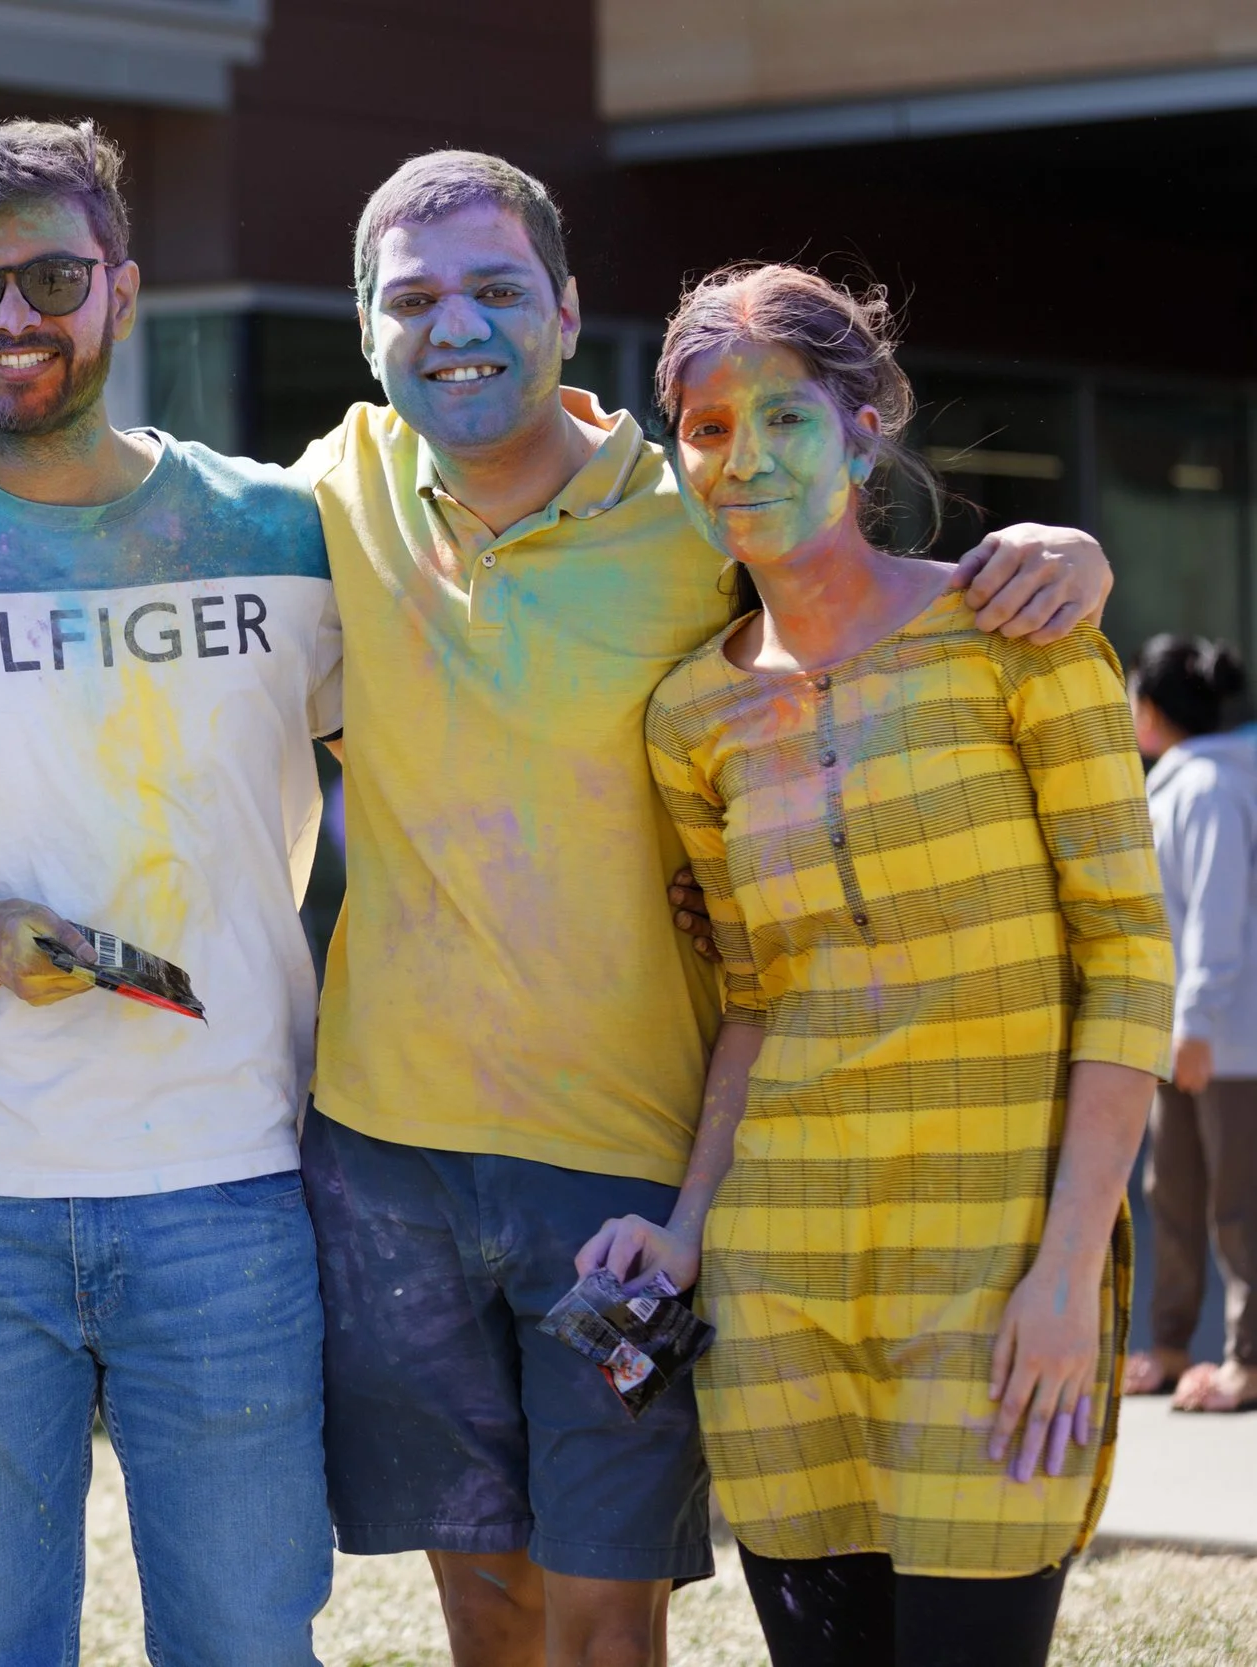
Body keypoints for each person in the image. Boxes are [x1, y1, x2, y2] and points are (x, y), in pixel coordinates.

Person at [292, 151, 1119, 1667]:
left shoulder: (695, 519)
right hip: (387, 1152)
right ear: (364, 329)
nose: (454, 325)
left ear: (567, 310)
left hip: (621, 1148)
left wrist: (1061, 548)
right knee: (481, 1600)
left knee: (608, 1609)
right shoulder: (316, 505)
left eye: (495, 288)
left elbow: (858, 588)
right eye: (411, 298)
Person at [585, 261, 1171, 1667]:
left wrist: (1068, 1269)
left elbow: (1128, 962)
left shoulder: (1016, 637)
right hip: (781, 1277)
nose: (746, 458)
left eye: (784, 418)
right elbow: (752, 1003)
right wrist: (688, 1224)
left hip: (994, 1267)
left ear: (862, 428)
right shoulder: (690, 715)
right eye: (709, 428)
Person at [0, 120, 340, 1664]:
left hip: (232, 1178)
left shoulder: (285, 532)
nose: (13, 318)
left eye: (53, 274)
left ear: (123, 287)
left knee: (249, 1643)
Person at [1125, 634, 1257, 1413]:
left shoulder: (1207, 786)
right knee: (1168, 1191)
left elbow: (1214, 914)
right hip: (1183, 1031)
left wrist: (1199, 1020)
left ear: (1149, 709)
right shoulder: (1180, 783)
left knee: (1237, 1204)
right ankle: (1171, 1345)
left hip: (1226, 1037)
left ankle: (1247, 1360)